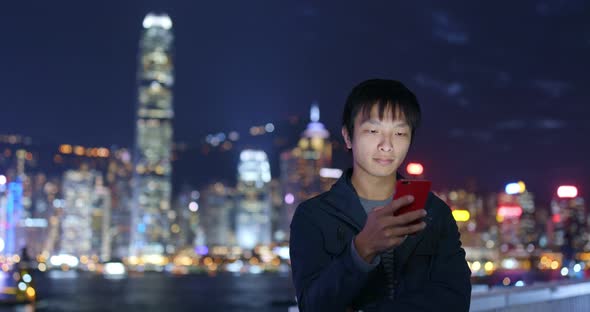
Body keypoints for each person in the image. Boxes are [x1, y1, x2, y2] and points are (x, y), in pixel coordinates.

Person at [289, 79, 471, 311]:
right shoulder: (314, 216)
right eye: (373, 130)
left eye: (399, 132)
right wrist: (361, 250)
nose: (387, 145)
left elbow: (456, 300)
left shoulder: (434, 212)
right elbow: (312, 306)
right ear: (347, 136)